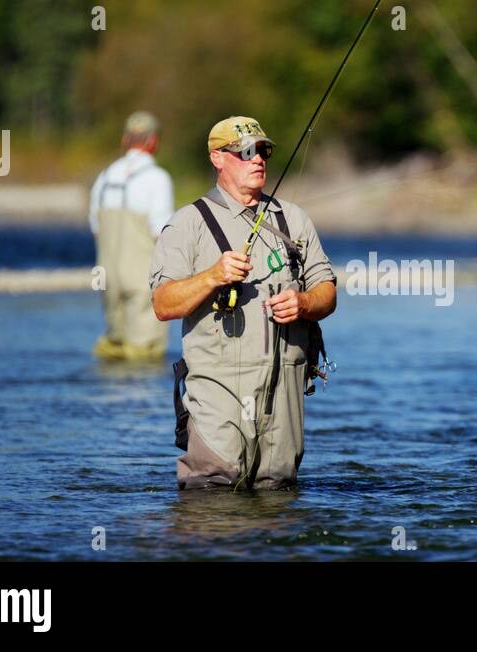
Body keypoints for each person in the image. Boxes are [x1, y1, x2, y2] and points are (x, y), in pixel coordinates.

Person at [150, 116, 337, 490]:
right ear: (217, 158)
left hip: (283, 398)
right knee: (212, 499)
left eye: (263, 151)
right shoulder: (188, 224)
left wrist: (303, 303)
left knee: (278, 497)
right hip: (218, 398)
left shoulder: (294, 220)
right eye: (245, 152)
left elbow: (328, 292)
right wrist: (212, 276)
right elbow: (162, 304)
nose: (258, 160)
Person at [89, 111, 174, 361]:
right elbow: (162, 233)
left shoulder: (104, 177)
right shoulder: (158, 179)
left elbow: (95, 227)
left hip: (106, 276)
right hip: (141, 276)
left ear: (126, 139)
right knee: (145, 355)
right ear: (153, 141)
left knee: (113, 347)